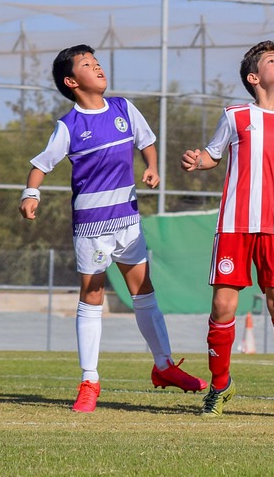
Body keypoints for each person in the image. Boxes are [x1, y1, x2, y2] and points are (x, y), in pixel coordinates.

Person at [20, 45, 206, 412]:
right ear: (72, 81)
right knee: (92, 297)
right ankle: (89, 380)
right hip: (92, 227)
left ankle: (165, 366)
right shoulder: (69, 125)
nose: (98, 67)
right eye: (88, 65)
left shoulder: (123, 109)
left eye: (97, 62)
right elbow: (41, 164)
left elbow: (147, 142)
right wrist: (31, 193)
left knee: (144, 293)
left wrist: (151, 166)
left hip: (128, 220)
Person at [182, 41, 274, 418]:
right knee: (223, 305)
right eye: (273, 61)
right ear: (255, 77)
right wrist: (197, 160)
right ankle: (220, 386)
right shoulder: (235, 116)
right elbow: (213, 155)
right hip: (234, 226)